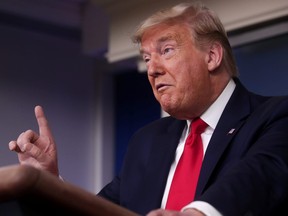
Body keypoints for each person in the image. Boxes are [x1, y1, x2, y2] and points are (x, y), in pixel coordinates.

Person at [8, 1, 288, 216]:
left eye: (166, 50)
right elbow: (97, 211)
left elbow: (259, 176)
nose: (152, 69)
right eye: (146, 58)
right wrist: (48, 183)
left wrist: (197, 213)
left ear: (212, 56)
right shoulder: (146, 141)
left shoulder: (275, 117)